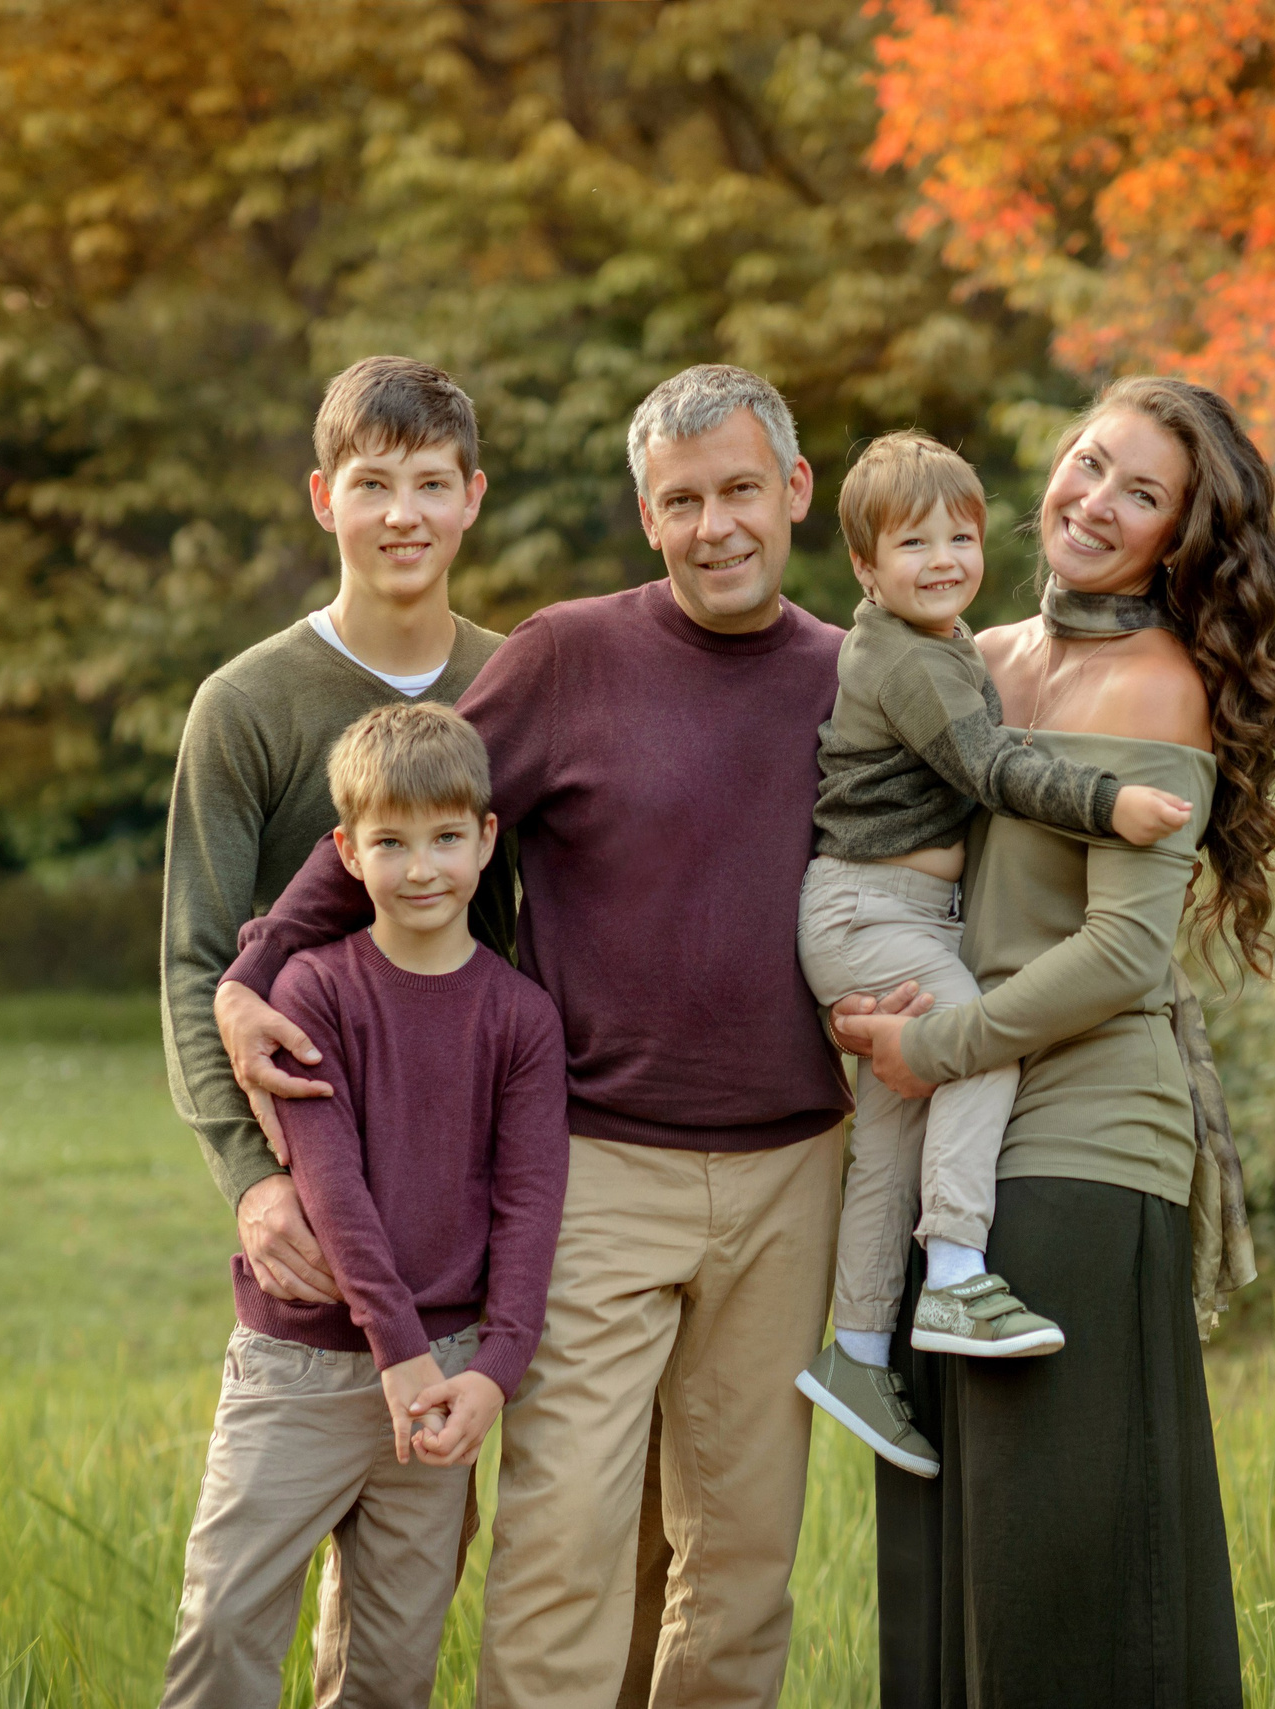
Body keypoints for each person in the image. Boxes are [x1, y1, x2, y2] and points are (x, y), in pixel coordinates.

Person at [214, 364, 858, 1709]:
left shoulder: (855, 681)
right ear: (647, 514)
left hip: (798, 1167)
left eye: (743, 489)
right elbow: (407, 809)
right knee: (562, 1540)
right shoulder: (569, 655)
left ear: (794, 492)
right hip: (603, 1163)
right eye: (683, 501)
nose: (717, 524)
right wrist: (255, 969)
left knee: (741, 1556)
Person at [836, 377, 1275, 1708]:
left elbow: (1124, 955)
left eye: (1140, 493)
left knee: (1064, 1575)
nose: (1093, 503)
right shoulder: (969, 661)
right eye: (1089, 464)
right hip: (950, 1159)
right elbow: (879, 860)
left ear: (1180, 541)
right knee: (952, 1561)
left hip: (1080, 1152)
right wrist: (849, 997)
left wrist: (938, 1047)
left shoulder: (1154, 691)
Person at [793, 430, 1195, 1478]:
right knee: (973, 1046)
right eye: (912, 541)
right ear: (866, 570)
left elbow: (1124, 949)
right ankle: (957, 1270)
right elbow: (995, 768)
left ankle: (859, 1345)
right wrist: (1112, 804)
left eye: (958, 537)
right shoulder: (939, 661)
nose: (941, 558)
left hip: (904, 934)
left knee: (890, 1133)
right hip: (878, 912)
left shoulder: (959, 648)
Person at [159, 702, 568, 1709]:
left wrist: (495, 1369)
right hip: (300, 1366)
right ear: (346, 851)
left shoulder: (519, 1014)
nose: (421, 867)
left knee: (389, 1670)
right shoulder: (312, 989)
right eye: (390, 841)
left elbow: (529, 1203)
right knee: (224, 1631)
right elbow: (332, 1191)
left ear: (485, 839)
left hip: (445, 1381)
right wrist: (399, 1351)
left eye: (444, 838)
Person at [161, 356, 511, 1307]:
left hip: (479, 1173)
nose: (405, 516)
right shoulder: (244, 704)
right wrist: (253, 1181)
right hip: (318, 1170)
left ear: (472, 498)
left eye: (433, 484)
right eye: (373, 486)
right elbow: (197, 963)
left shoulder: (515, 684)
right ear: (324, 498)